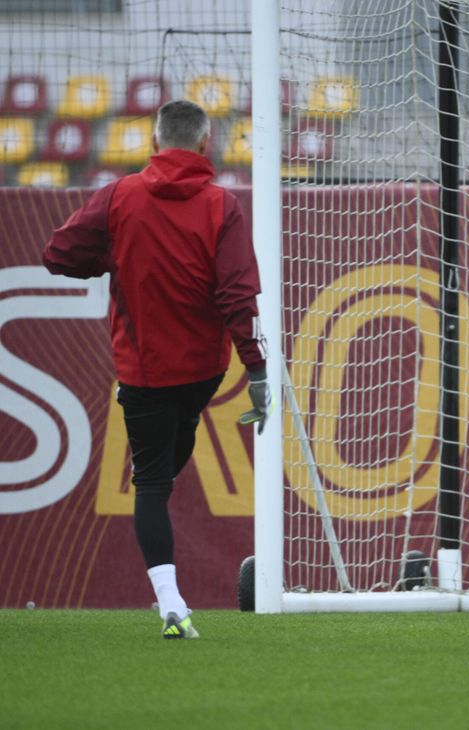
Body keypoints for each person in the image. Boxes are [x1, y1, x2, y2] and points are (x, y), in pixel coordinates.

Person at [43, 99, 271, 639]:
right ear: (204, 143)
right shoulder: (222, 205)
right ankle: (171, 600)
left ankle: (169, 600)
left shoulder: (120, 196)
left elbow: (57, 253)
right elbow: (239, 295)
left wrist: (114, 256)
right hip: (202, 372)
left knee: (151, 481)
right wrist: (256, 370)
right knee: (164, 468)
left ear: (153, 142)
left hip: (143, 372)